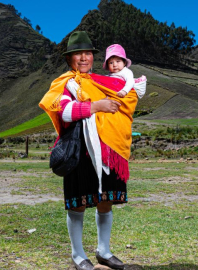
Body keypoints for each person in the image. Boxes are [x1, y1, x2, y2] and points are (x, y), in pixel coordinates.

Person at [39, 31, 139, 270]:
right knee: (78, 202)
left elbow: (127, 98)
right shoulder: (66, 83)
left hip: (108, 148)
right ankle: (78, 255)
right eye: (78, 54)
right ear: (69, 58)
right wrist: (96, 106)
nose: (84, 58)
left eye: (88, 53)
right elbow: (62, 111)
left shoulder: (102, 80)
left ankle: (103, 251)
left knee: (106, 201)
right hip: (80, 148)